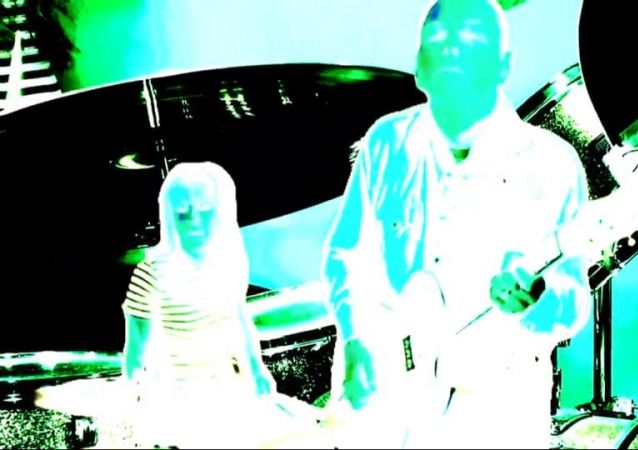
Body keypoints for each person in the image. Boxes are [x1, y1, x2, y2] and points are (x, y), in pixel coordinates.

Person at [320, 1, 600, 447]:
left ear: (503, 63)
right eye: (438, 39)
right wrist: (354, 344)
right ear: (419, 66)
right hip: (383, 418)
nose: (452, 50)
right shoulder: (385, 142)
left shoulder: (551, 163)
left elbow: (572, 305)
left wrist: (536, 302)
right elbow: (345, 255)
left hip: (494, 415)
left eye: (471, 39)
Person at [120, 162, 289, 448]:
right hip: (175, 391)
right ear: (169, 215)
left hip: (223, 387)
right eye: (183, 211)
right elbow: (137, 337)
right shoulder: (152, 271)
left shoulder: (227, 265)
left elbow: (239, 320)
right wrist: (132, 385)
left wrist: (256, 368)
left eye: (204, 208)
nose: (194, 220)